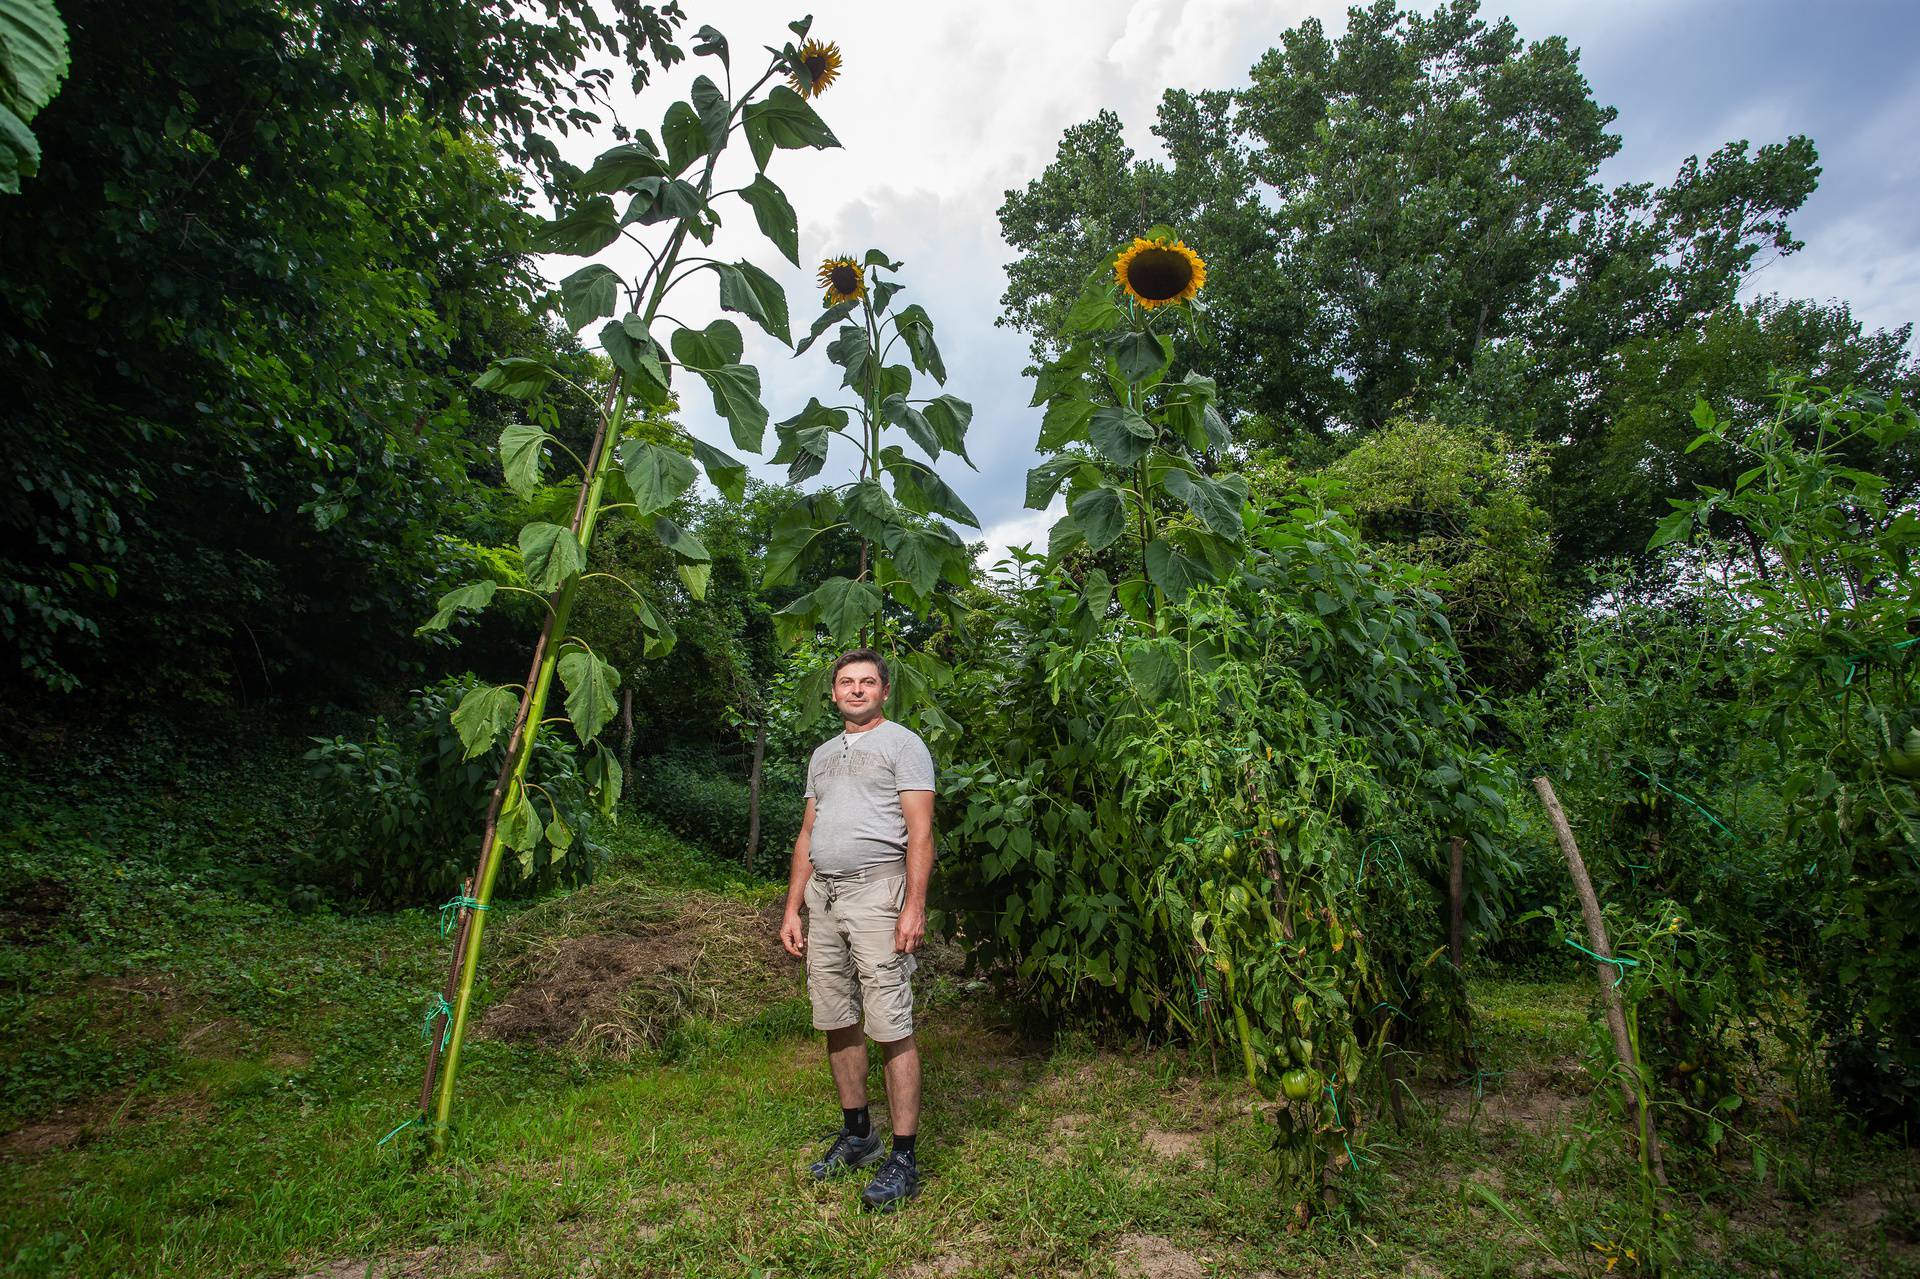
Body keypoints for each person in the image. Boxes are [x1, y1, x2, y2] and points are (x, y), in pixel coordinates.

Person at [779, 648, 935, 1211]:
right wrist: (792, 906)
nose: (856, 690)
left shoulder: (904, 745)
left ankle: (903, 1157)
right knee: (836, 1017)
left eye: (867, 682)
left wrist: (913, 906)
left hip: (878, 893)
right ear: (834, 693)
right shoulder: (821, 756)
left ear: (884, 691)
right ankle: (858, 1135)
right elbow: (807, 834)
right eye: (846, 682)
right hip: (823, 898)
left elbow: (920, 833)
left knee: (890, 1022)